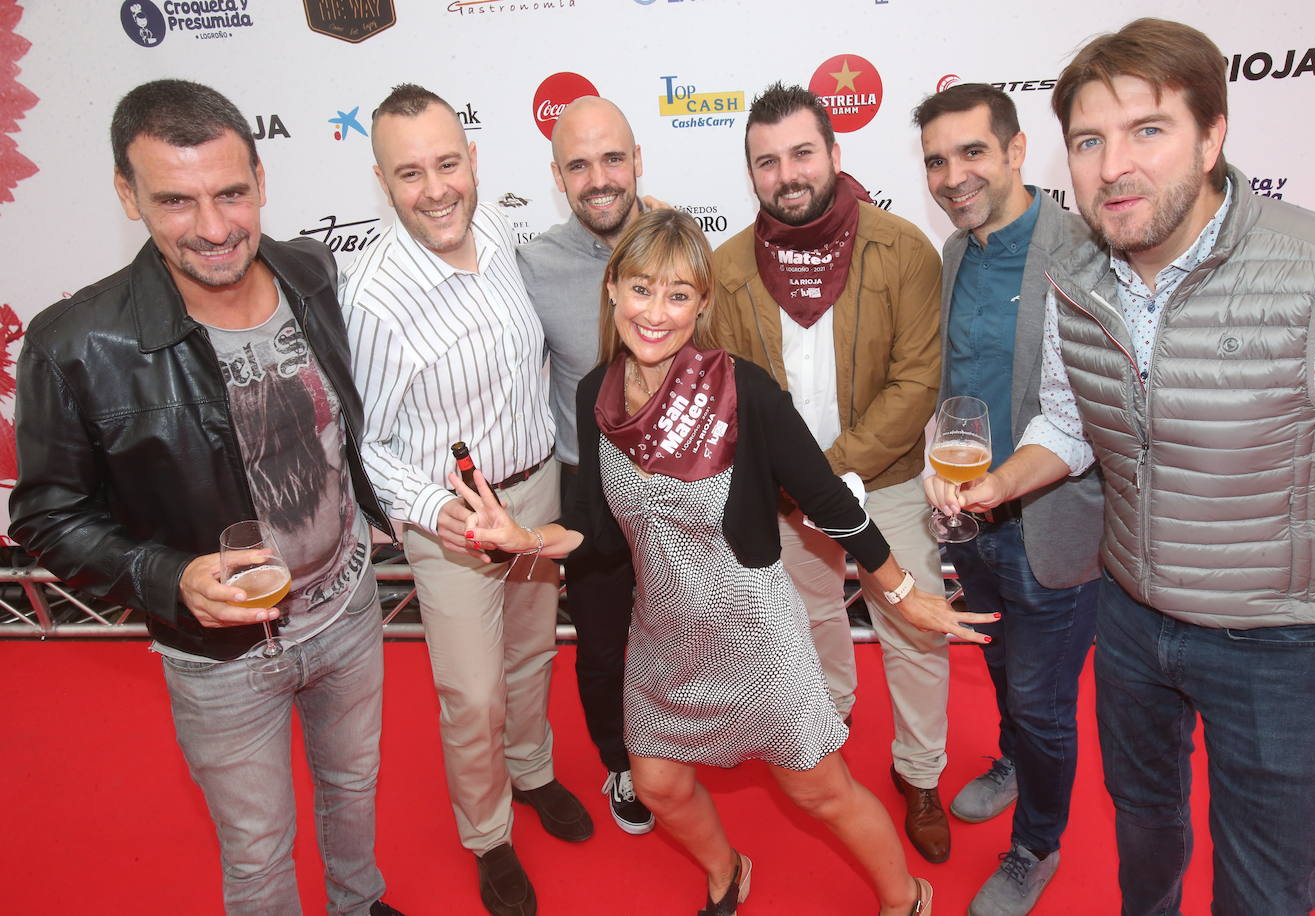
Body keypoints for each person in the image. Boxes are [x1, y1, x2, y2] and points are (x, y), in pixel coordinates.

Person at [927, 18, 1315, 915]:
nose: (1113, 164)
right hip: (1130, 611)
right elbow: (1070, 421)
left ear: (1213, 136)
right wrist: (999, 483)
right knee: (1145, 833)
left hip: (1275, 636)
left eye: (1148, 130)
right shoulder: (1079, 272)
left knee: (1263, 883)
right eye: (1089, 140)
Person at [458, 208, 991, 915]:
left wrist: (902, 593)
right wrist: (523, 537)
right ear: (612, 288)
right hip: (665, 636)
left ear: (702, 304)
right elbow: (597, 531)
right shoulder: (595, 396)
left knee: (818, 790)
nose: (656, 312)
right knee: (658, 785)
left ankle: (906, 898)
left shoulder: (746, 392)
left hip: (755, 635)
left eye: (678, 295)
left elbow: (828, 499)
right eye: (642, 289)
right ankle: (726, 871)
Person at [7, 79, 403, 916]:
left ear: (260, 179)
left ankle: (359, 904)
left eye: (231, 192)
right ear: (128, 195)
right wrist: (167, 577)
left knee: (355, 788)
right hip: (220, 658)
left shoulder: (310, 272)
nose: (216, 227)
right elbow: (45, 518)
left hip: (350, 608)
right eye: (177, 201)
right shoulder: (75, 343)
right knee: (257, 853)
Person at [341, 83, 589, 916]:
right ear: (383, 181)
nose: (436, 188)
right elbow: (367, 445)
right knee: (473, 692)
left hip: (536, 488)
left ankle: (533, 771)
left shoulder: (500, 231)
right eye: (411, 174)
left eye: (448, 163)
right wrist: (432, 508)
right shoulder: (374, 297)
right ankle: (487, 835)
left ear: (474, 160)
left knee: (532, 655)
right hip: (450, 524)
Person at [711, 82, 953, 862]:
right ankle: (831, 725)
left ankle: (920, 774)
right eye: (767, 161)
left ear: (835, 154)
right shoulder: (723, 271)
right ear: (751, 175)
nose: (788, 173)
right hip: (781, 493)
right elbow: (722, 392)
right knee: (809, 622)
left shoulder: (902, 248)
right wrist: (793, 483)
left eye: (802, 153)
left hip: (884, 476)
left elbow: (918, 383)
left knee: (913, 624)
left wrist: (828, 474)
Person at [912, 83, 1104, 915]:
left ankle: (1036, 845)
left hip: (1053, 526)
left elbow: (1092, 413)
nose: (953, 176)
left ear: (1018, 151)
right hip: (969, 520)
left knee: (1042, 697)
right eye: (936, 161)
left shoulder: (1082, 249)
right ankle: (1012, 758)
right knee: (996, 665)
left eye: (972, 153)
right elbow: (956, 389)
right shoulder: (955, 252)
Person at [515, 96, 653, 835]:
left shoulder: (679, 243)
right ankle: (621, 762)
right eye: (579, 164)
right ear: (557, 175)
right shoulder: (531, 265)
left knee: (685, 629)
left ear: (637, 162)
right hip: (588, 487)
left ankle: (678, 744)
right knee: (602, 646)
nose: (598, 178)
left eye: (612, 158)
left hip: (678, 485)